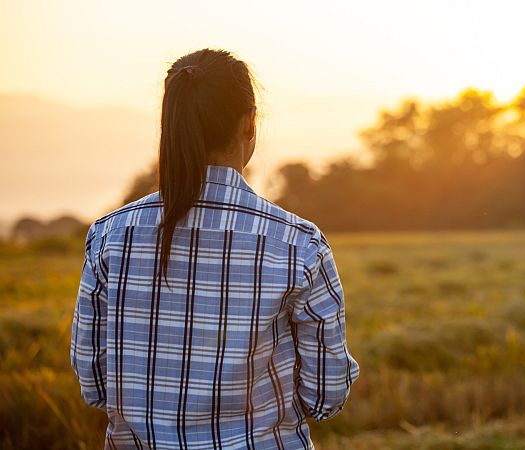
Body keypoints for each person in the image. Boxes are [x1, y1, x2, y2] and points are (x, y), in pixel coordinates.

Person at [69, 48, 359, 450]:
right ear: (249, 123)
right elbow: (326, 396)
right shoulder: (298, 245)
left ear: (171, 125)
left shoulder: (109, 236)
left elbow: (94, 384)